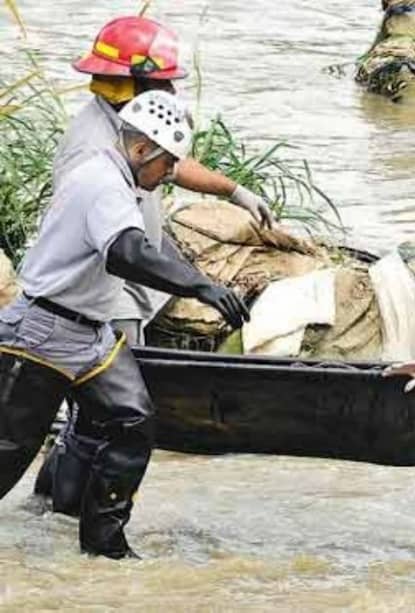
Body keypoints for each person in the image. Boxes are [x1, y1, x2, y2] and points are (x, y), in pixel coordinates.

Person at [32, 15, 274, 515]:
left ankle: (49, 505)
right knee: (105, 417)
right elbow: (122, 251)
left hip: (111, 289)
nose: (167, 88)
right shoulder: (92, 150)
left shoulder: (124, 125)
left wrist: (233, 190)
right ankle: (71, 516)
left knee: (93, 417)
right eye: (160, 80)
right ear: (130, 82)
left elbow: (173, 161)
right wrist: (198, 286)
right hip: (98, 294)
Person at [0, 90, 250, 559]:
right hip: (41, 333)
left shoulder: (119, 176)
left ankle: (105, 548)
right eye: (166, 165)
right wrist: (200, 287)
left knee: (131, 421)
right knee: (9, 451)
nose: (169, 174)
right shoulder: (102, 183)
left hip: (90, 335)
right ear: (141, 150)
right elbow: (127, 253)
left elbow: (141, 247)